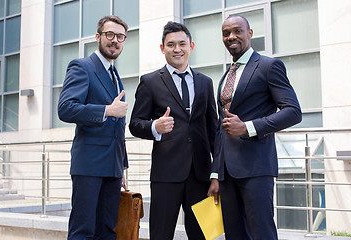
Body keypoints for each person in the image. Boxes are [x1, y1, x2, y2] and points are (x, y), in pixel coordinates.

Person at [207, 15, 302, 240]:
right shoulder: (226, 76)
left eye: (237, 31)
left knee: (261, 233)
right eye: (226, 33)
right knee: (234, 234)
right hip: (227, 173)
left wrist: (248, 127)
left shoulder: (269, 66)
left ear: (250, 33)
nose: (231, 36)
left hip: (256, 168)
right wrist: (215, 174)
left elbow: (293, 111)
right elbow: (223, 128)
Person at [129, 21, 218, 240]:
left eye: (182, 44)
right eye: (171, 45)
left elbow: (213, 130)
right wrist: (154, 127)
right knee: (161, 233)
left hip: (200, 174)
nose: (177, 49)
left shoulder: (205, 82)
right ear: (162, 48)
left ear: (191, 46)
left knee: (201, 235)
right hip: (166, 173)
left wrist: (217, 173)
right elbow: (135, 123)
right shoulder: (149, 82)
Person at [58, 15, 129, 240]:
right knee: (83, 231)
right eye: (110, 35)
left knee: (107, 231)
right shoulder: (82, 66)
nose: (115, 40)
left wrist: (122, 166)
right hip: (89, 165)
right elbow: (66, 108)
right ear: (98, 37)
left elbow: (118, 128)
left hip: (112, 167)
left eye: (120, 37)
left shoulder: (115, 74)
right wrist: (106, 110)